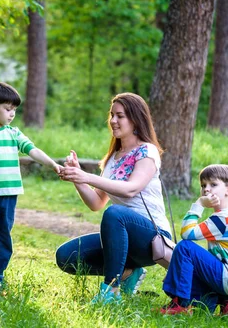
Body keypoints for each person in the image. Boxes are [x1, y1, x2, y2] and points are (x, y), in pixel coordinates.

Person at [56, 92, 172, 304]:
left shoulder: (147, 151)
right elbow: (96, 203)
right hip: (122, 237)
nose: (113, 121)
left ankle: (110, 292)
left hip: (152, 237)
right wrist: (77, 177)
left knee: (115, 213)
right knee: (66, 256)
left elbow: (130, 189)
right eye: (112, 115)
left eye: (120, 116)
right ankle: (129, 272)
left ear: (135, 119)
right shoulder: (112, 158)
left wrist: (87, 176)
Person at [0, 82, 62, 287]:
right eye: (8, 109)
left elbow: (33, 150)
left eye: (14, 110)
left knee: (3, 237)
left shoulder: (13, 133)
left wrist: (52, 164)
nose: (12, 114)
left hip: (9, 194)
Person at [159, 164, 228, 316]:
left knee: (185, 248)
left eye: (213, 184)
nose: (206, 189)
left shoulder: (223, 219)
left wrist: (199, 204)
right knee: (201, 309)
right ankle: (218, 300)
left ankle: (180, 304)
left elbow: (187, 234)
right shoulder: (226, 215)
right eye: (203, 185)